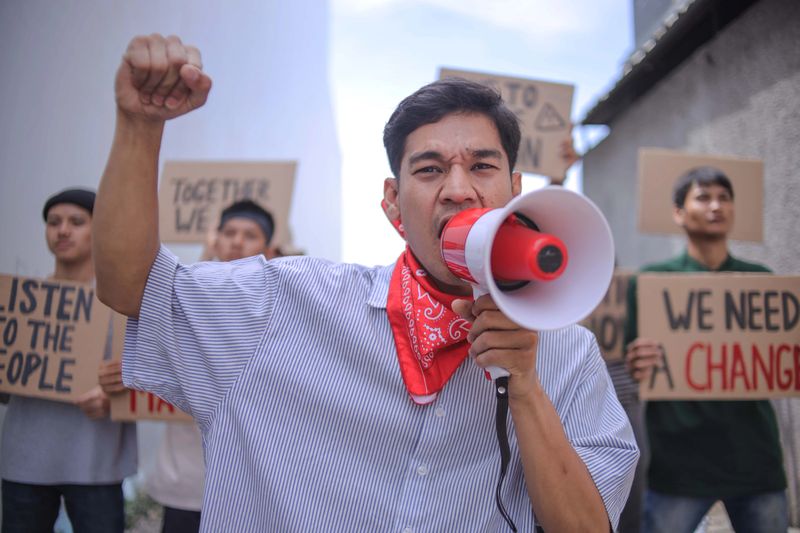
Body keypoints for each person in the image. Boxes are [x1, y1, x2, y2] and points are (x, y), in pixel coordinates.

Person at [93, 33, 638, 531]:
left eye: (482, 167)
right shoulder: (282, 303)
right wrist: (140, 129)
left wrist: (525, 387)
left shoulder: (567, 353)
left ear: (516, 190)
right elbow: (131, 286)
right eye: (428, 170)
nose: (457, 189)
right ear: (392, 203)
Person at [624, 166, 788, 532]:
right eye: (704, 197)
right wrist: (639, 362)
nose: (716, 206)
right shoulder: (651, 284)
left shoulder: (760, 282)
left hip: (755, 461)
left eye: (724, 198)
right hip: (679, 465)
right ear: (678, 212)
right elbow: (636, 367)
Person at [99, 198, 276, 533]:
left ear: (268, 246)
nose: (237, 241)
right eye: (229, 232)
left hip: (249, 485)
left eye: (249, 235)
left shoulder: (277, 310)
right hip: (187, 483)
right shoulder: (180, 303)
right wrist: (127, 378)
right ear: (215, 239)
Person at [1, 188, 138, 533]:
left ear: (100, 230)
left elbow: (158, 382)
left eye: (76, 222)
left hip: (96, 464)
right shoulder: (17, 305)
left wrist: (119, 395)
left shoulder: (127, 306)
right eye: (53, 222)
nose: (62, 230)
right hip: (24, 463)